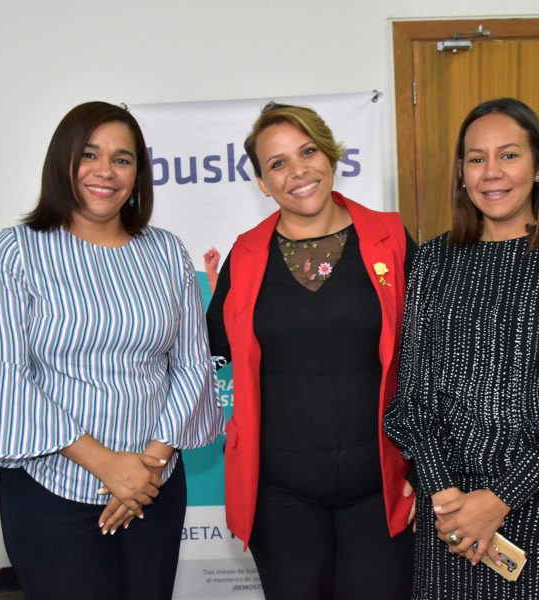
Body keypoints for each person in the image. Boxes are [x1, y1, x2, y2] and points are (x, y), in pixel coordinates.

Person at [0, 101, 224, 600]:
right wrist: (108, 466)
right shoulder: (16, 250)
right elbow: (6, 374)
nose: (106, 171)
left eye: (122, 159)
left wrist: (145, 469)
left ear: (138, 174)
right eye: (89, 154)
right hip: (49, 487)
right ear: (63, 162)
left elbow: (191, 364)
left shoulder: (166, 251)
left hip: (154, 482)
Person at [383, 97, 539, 599]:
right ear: (461, 174)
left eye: (509, 155)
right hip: (448, 510)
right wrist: (445, 495)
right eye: (476, 158)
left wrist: (497, 500)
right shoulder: (433, 261)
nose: (491, 172)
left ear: (538, 167)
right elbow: (412, 401)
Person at [206, 102, 416, 599]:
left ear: (330, 154)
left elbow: (427, 357)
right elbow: (213, 349)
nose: (298, 171)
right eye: (278, 163)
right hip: (280, 496)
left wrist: (427, 465)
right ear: (263, 183)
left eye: (307, 152)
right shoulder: (247, 253)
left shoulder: (390, 238)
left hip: (380, 488)